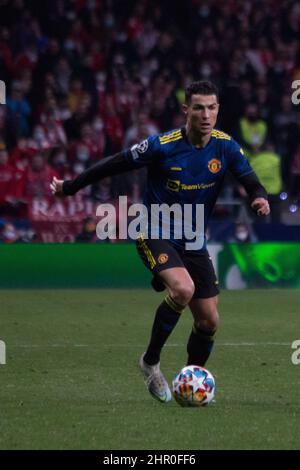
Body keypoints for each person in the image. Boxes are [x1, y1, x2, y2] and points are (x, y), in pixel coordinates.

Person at [50, 80, 270, 404]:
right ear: (186, 110)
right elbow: (114, 163)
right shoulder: (162, 146)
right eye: (198, 107)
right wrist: (70, 187)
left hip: (193, 238)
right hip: (152, 229)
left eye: (211, 107)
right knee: (183, 289)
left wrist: (259, 198)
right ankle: (150, 361)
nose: (206, 114)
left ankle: (191, 381)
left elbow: (250, 180)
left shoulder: (226, 147)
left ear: (218, 110)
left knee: (209, 320)